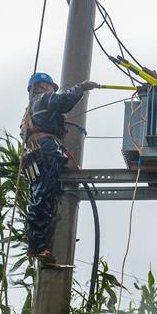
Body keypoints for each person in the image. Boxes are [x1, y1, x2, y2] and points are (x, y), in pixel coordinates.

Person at [21, 72, 97, 264]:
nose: (52, 90)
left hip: (39, 150)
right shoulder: (43, 99)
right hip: (45, 148)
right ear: (44, 86)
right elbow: (64, 101)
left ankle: (41, 242)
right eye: (51, 87)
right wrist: (81, 87)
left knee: (46, 194)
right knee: (43, 195)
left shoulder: (30, 109)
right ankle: (37, 246)